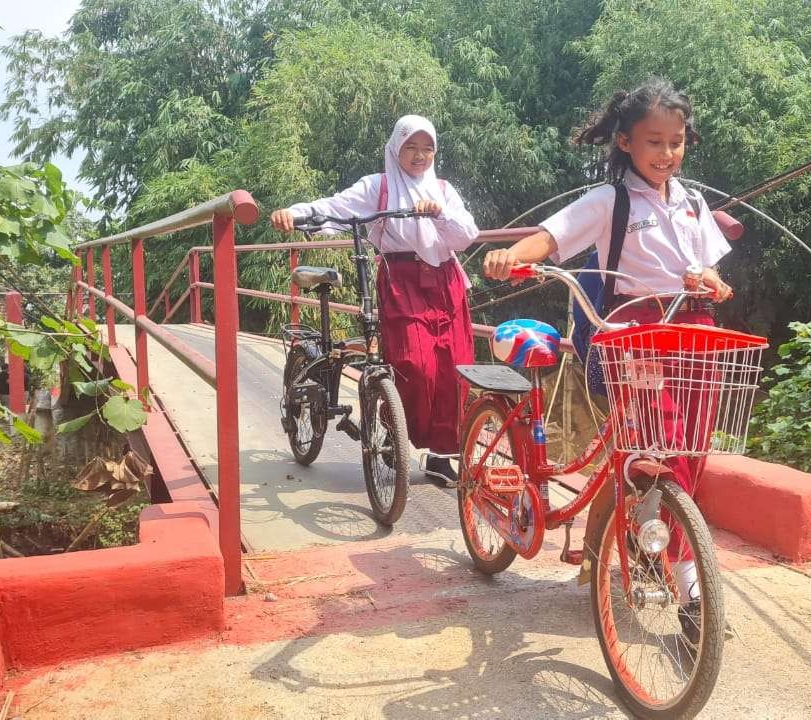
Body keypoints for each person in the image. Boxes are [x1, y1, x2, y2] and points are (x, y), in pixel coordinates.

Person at [482, 78, 733, 641]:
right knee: (653, 444)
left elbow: (715, 271)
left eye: (676, 141)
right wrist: (510, 256)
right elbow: (551, 237)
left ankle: (641, 548)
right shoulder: (610, 201)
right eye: (654, 142)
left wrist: (712, 282)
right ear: (625, 142)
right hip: (635, 334)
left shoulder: (693, 202)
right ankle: (689, 585)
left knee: (690, 449)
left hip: (696, 331)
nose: (667, 154)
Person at [270, 114, 479, 486]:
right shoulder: (378, 187)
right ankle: (394, 433)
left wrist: (439, 212)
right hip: (401, 280)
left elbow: (466, 234)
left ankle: (442, 455)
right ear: (396, 148)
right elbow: (335, 207)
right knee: (415, 366)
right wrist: (295, 213)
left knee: (455, 369)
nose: (419, 156)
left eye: (427, 149)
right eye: (411, 148)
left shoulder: (444, 191)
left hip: (446, 282)